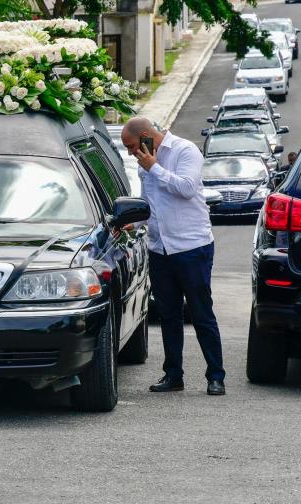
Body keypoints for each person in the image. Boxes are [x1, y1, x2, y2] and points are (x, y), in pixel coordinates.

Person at [120, 117, 225, 396]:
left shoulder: (184, 150)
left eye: (131, 146)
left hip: (192, 246)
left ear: (145, 135)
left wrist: (154, 168)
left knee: (201, 313)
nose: (131, 152)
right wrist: (136, 222)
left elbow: (187, 188)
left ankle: (216, 376)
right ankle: (173, 374)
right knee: (168, 315)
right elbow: (150, 204)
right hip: (160, 249)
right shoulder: (145, 162)